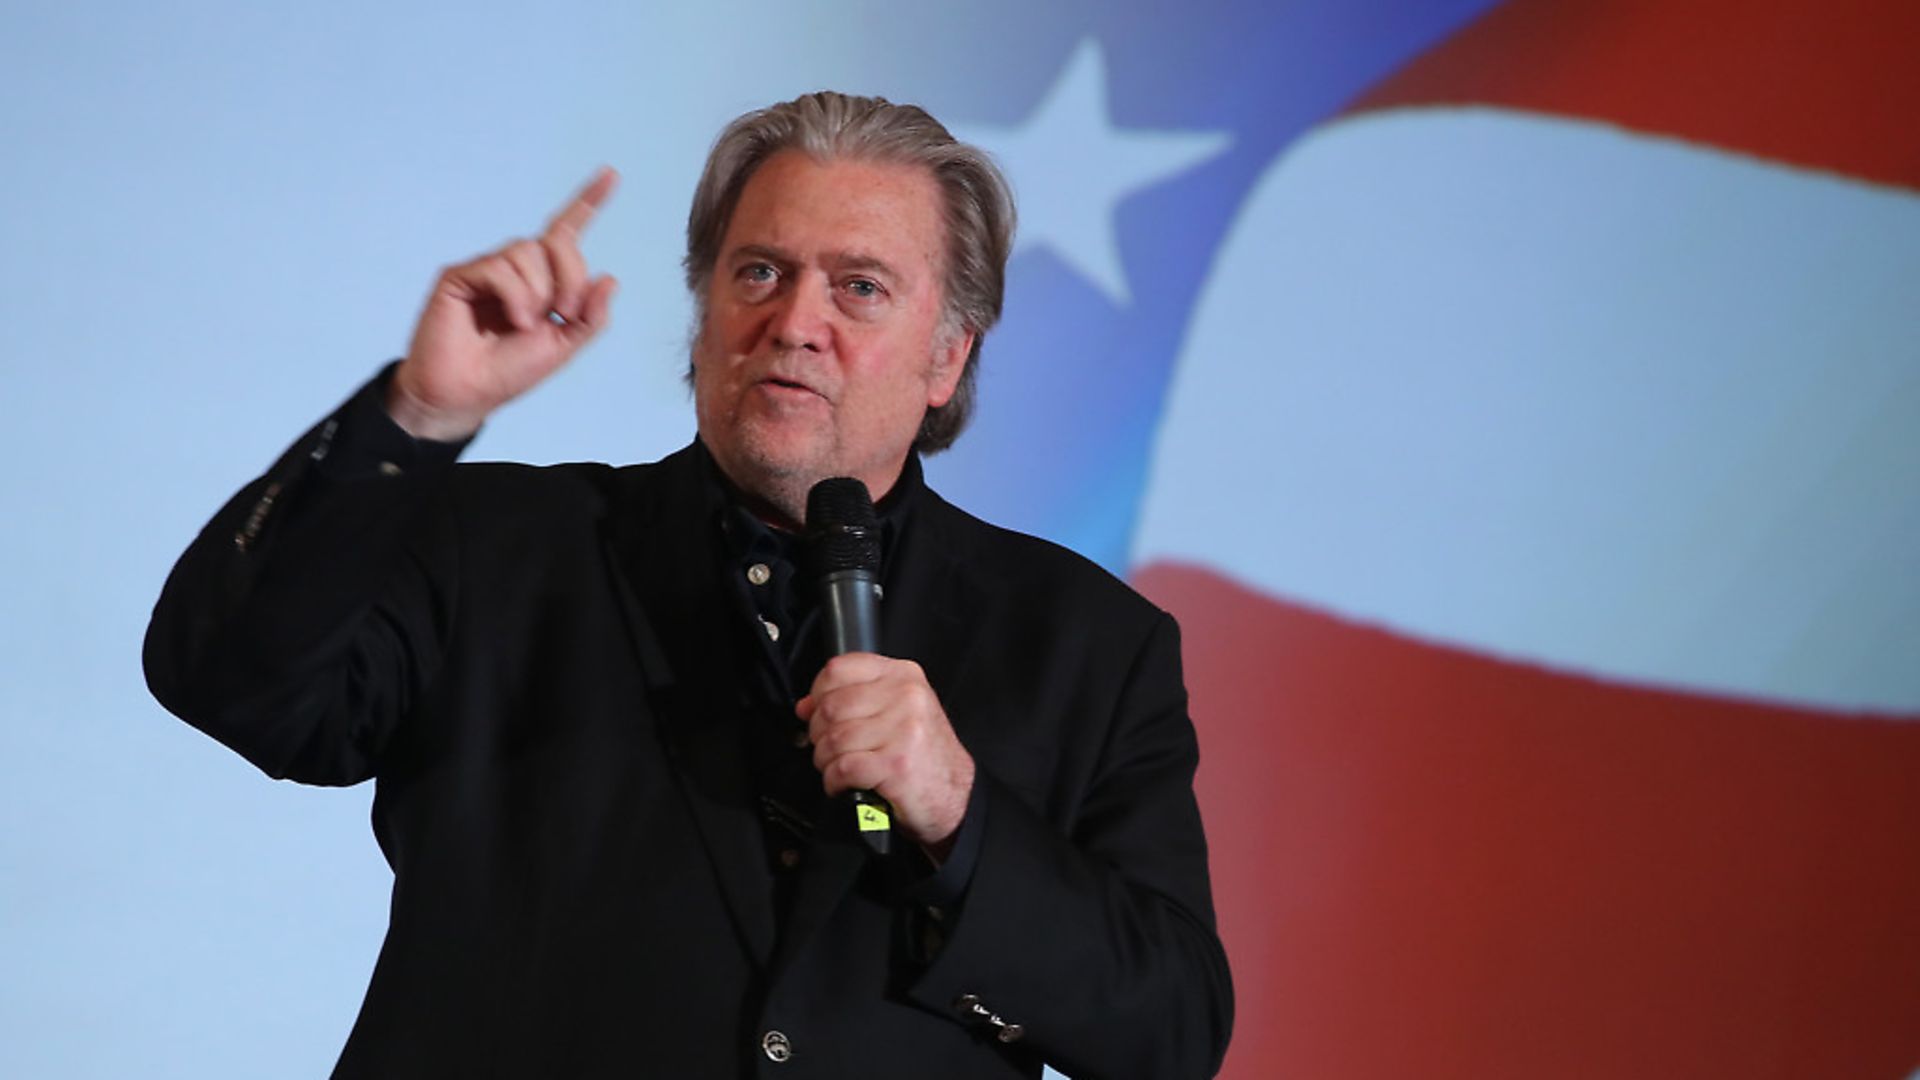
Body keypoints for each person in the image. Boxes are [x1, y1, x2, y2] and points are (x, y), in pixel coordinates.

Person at [145, 91, 1232, 1079]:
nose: (794, 322)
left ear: (948, 358)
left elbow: (1170, 1030)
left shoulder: (1091, 645)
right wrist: (417, 416)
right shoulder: (498, 546)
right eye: (758, 271)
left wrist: (959, 813)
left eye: (859, 287)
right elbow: (227, 679)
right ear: (706, 310)